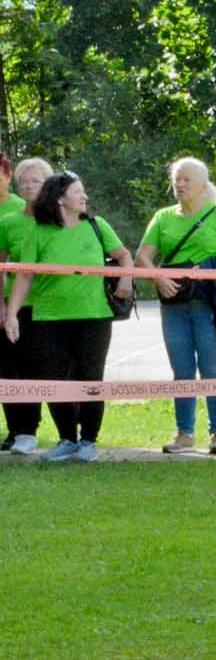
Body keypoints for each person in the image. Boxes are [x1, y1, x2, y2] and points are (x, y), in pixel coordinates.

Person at [3, 171, 134, 462]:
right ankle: (67, 439)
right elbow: (24, 276)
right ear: (60, 199)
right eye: (78, 192)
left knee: (91, 378)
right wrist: (11, 314)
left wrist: (126, 278)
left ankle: (88, 441)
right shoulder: (38, 232)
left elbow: (124, 255)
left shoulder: (97, 225)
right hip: (49, 319)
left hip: (94, 317)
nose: (85, 197)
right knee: (54, 379)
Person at [136, 157, 216, 455]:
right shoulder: (163, 217)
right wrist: (159, 277)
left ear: (203, 185)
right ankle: (184, 433)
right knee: (182, 370)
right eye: (177, 179)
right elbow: (142, 257)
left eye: (187, 179)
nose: (180, 184)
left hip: (209, 304)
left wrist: (207, 269)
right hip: (174, 304)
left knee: (212, 369)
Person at [0, 156, 52, 454]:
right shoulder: (8, 222)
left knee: (48, 369)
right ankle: (22, 431)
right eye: (24, 181)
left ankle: (71, 436)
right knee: (14, 368)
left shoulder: (62, 220)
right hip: (18, 309)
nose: (29, 186)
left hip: (54, 309)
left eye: (36, 181)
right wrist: (3, 306)